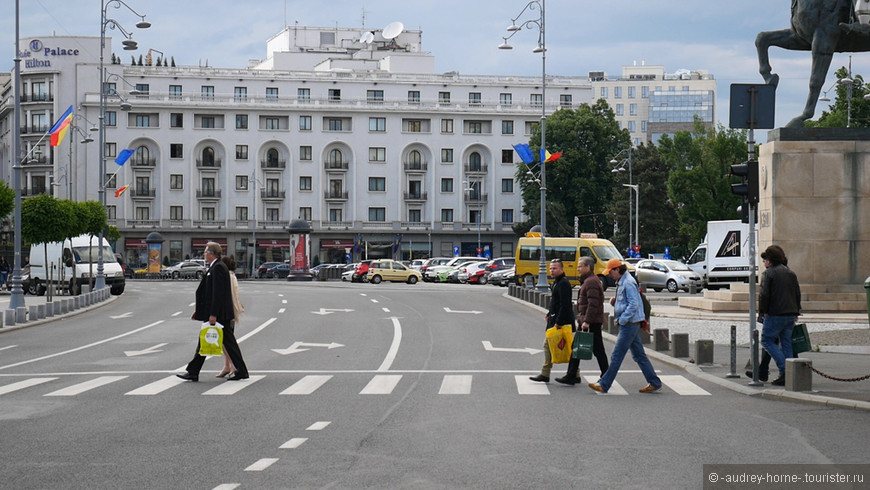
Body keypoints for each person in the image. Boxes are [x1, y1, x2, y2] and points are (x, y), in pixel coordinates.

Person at [177, 242, 249, 382]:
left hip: (219, 314)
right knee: (216, 342)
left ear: (211, 254)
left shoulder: (218, 268)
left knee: (215, 341)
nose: (204, 254)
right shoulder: (215, 267)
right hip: (217, 313)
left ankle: (194, 371)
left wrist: (213, 314)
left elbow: (217, 293)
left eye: (205, 252)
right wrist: (199, 312)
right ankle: (194, 371)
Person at [589, 258, 662, 394]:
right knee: (639, 355)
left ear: (617, 269)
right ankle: (654, 382)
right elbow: (630, 302)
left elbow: (634, 304)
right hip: (632, 323)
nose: (609, 275)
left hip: (629, 324)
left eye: (610, 272)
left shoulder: (627, 282)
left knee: (617, 355)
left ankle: (604, 384)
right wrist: (616, 302)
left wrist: (622, 319)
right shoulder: (624, 281)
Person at [557, 256, 608, 385]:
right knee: (578, 348)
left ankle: (606, 375)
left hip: (590, 321)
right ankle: (572, 375)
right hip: (588, 320)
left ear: (588, 267)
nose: (578, 268)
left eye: (580, 266)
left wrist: (587, 321)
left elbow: (593, 303)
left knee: (597, 350)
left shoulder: (591, 281)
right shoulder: (589, 280)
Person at [758, 245, 801, 386]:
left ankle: (784, 369)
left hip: (775, 313)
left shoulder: (769, 274)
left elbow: (764, 295)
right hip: (790, 313)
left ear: (770, 260)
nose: (764, 263)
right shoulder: (790, 273)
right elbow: (797, 293)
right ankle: (790, 372)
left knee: (766, 341)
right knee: (787, 343)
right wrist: (796, 310)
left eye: (765, 260)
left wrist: (763, 311)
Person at [530, 258, 574, 383]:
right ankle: (574, 373)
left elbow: (565, 305)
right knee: (566, 348)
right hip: (556, 319)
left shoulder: (563, 283)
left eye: (555, 268)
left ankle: (546, 373)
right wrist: (549, 313)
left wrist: (558, 322)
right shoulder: (557, 282)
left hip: (562, 322)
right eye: (550, 268)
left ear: (561, 269)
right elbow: (556, 302)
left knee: (550, 346)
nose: (552, 271)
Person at [215, 255, 245, 378]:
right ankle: (227, 366)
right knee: (224, 341)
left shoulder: (228, 277)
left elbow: (230, 296)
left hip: (228, 313)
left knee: (227, 342)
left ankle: (232, 366)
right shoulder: (231, 276)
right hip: (230, 312)